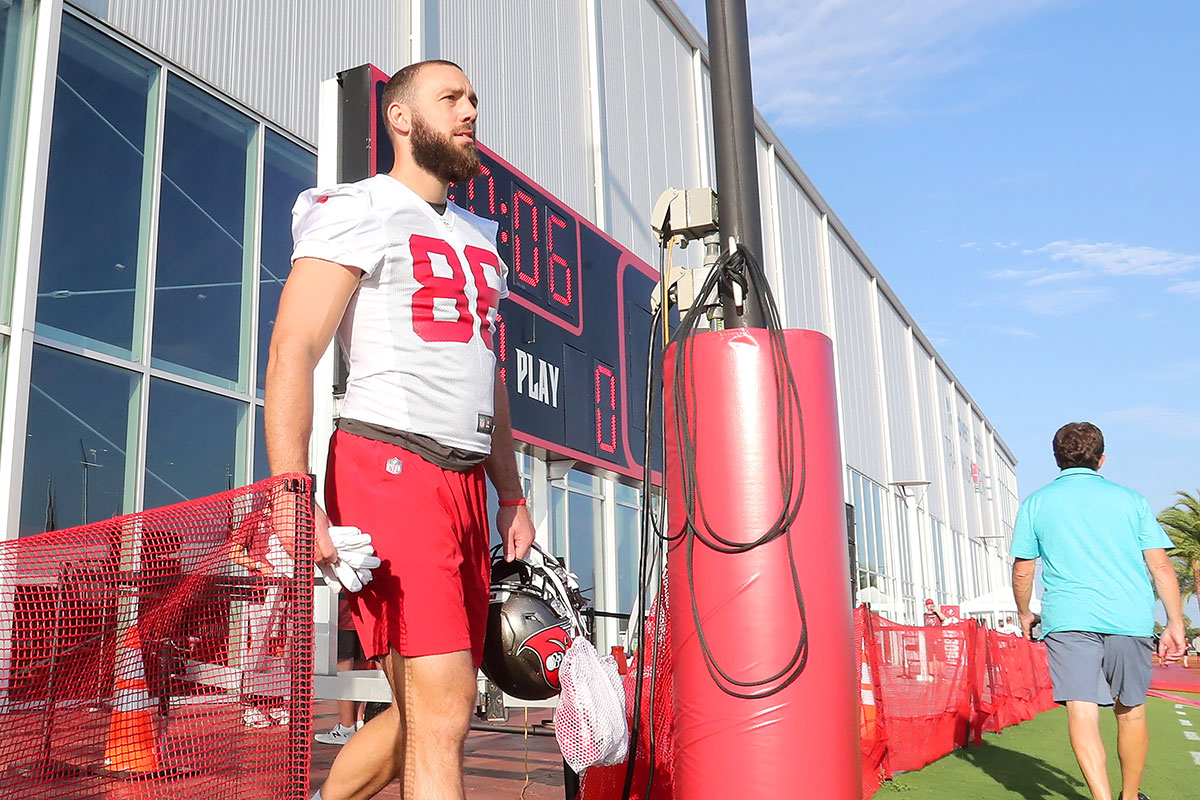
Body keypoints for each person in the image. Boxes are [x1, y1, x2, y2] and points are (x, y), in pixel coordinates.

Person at [264, 60, 535, 800]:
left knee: (431, 713)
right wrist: (296, 493)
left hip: (466, 482)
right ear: (401, 118)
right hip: (391, 464)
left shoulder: (480, 235)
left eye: (474, 97)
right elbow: (294, 349)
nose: (470, 110)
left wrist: (511, 494)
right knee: (445, 709)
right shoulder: (358, 207)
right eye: (451, 98)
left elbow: (490, 374)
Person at [1011, 422, 1186, 800]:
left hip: (1068, 619)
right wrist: (1175, 624)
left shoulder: (1036, 503)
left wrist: (1024, 613)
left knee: (1082, 710)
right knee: (1132, 710)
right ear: (1102, 459)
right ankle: (1129, 796)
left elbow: (1023, 568)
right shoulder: (1132, 500)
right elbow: (1161, 566)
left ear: (1056, 459)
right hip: (1129, 618)